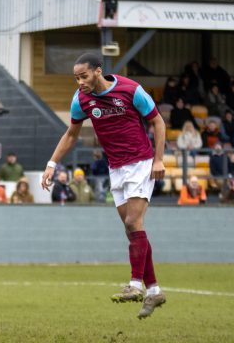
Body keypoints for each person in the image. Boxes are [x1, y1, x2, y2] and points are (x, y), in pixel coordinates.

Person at [41, 53, 167, 319]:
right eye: (76, 78)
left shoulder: (131, 90)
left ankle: (134, 285)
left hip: (141, 163)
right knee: (132, 228)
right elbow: (71, 134)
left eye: (83, 76)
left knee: (134, 222)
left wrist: (158, 160)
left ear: (98, 71)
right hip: (116, 168)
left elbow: (158, 121)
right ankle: (154, 289)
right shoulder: (81, 100)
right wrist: (52, 163)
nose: (80, 82)